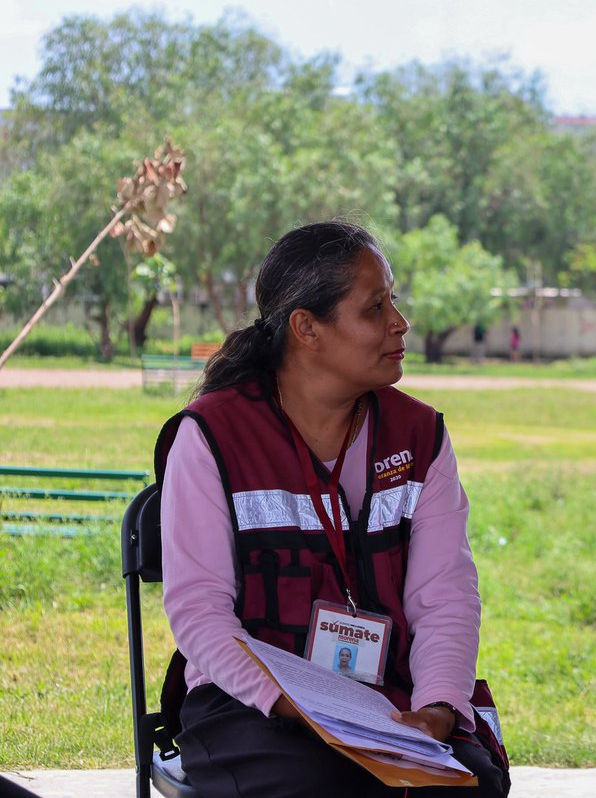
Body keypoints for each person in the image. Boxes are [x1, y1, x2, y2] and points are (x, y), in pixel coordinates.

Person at [157, 221, 509, 797]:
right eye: (375, 307)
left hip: (392, 703)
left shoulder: (420, 436)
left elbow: (447, 596)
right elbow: (199, 613)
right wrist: (297, 707)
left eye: (393, 301)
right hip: (255, 706)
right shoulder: (213, 436)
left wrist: (439, 708)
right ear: (306, 329)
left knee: (466, 786)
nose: (400, 322)